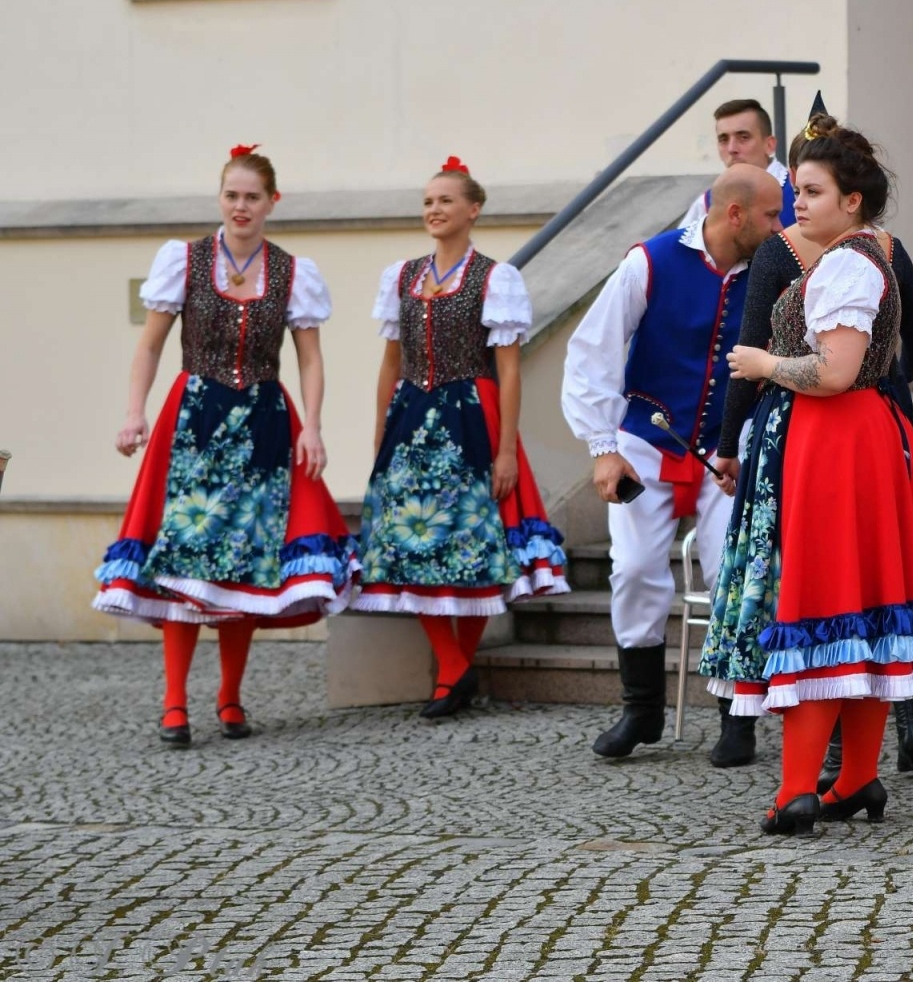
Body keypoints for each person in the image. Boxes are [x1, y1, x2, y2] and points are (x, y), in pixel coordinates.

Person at [705, 116, 913, 837]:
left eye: (814, 191)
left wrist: (763, 366)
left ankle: (799, 787)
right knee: (854, 611)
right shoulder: (853, 257)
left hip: (837, 440)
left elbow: (836, 372)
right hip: (849, 438)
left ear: (853, 201)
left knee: (821, 603)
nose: (799, 203)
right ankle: (855, 777)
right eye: (796, 191)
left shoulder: (852, 264)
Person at [94, 145, 355, 747]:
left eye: (252, 197)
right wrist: (134, 413)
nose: (241, 206)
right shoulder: (183, 261)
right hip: (195, 421)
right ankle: (175, 704)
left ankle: (231, 697)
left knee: (249, 559)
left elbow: (310, 359)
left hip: (264, 421)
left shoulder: (293, 272)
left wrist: (312, 424)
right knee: (185, 556)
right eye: (232, 195)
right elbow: (151, 346)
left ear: (271, 203)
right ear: (221, 199)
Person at [562, 163, 784, 759]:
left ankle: (737, 718)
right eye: (769, 214)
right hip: (645, 445)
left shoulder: (777, 268)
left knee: (731, 575)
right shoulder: (650, 262)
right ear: (734, 214)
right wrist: (604, 450)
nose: (779, 223)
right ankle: (641, 711)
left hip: (729, 451)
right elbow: (591, 353)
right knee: (634, 570)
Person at [354, 156, 568, 718]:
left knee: (469, 545)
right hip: (410, 421)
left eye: (445, 200)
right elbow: (389, 364)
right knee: (412, 544)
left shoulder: (496, 278)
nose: (434, 210)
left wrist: (505, 451)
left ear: (473, 209)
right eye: (427, 201)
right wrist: (380, 433)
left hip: (470, 418)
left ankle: (453, 675)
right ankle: (454, 667)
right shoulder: (401, 276)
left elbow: (510, 371)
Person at [678, 99, 796, 230]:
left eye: (743, 137)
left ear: (769, 145)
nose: (731, 149)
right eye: (723, 139)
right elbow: (681, 247)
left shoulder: (800, 193)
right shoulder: (707, 203)